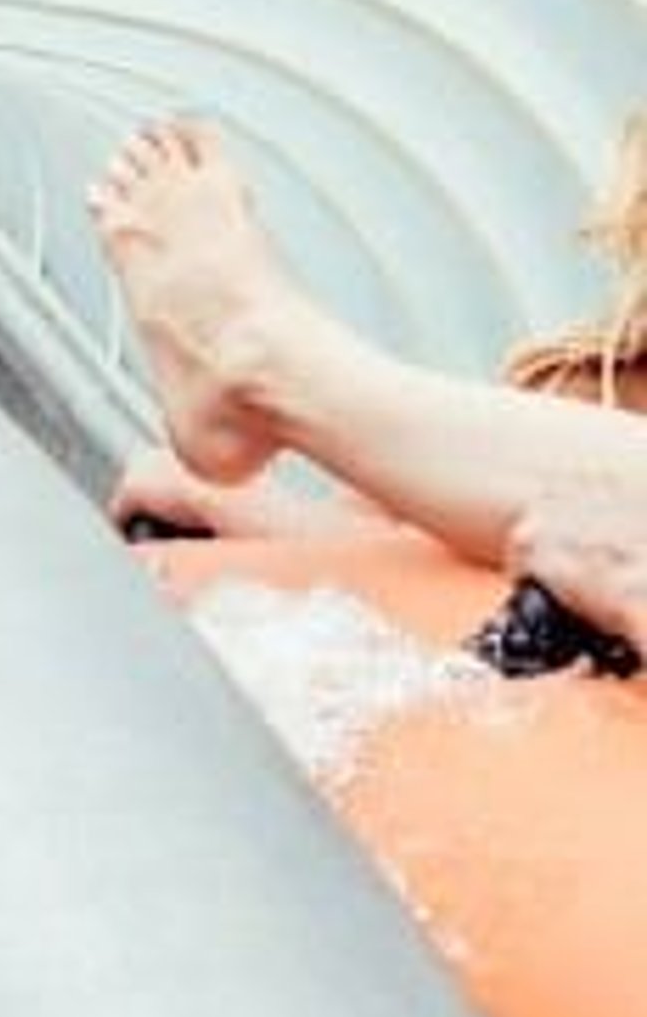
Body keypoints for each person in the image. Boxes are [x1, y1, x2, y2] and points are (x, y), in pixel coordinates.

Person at [91, 111, 647, 655]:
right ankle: (269, 368)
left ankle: (267, 364)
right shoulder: (590, 392)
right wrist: (231, 504)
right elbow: (386, 563)